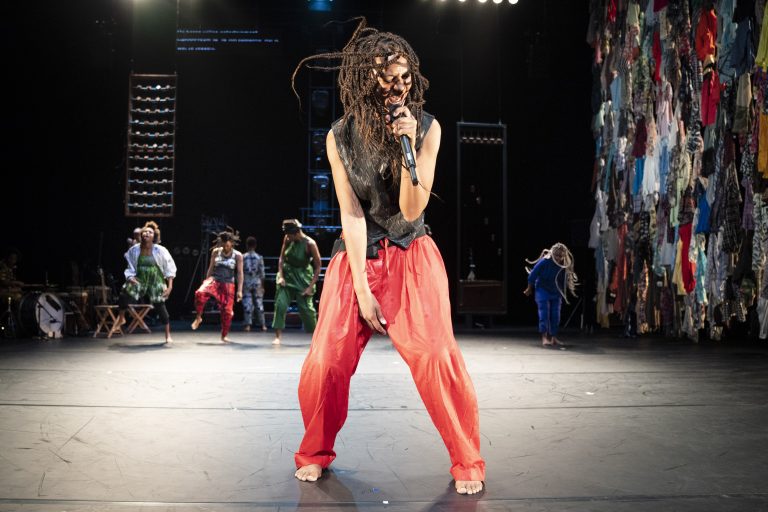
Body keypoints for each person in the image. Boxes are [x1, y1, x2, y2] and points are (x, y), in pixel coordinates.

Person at [290, 18, 485, 494]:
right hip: (356, 257)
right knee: (326, 361)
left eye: (402, 78)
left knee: (436, 356)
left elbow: (411, 207)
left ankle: (467, 460)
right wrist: (360, 286)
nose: (395, 88)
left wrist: (408, 151)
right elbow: (351, 214)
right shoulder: (338, 137)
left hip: (411, 252)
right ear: (364, 80)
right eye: (384, 77)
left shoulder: (426, 129)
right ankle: (314, 450)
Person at [115, 221, 176, 343]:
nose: (147, 233)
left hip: (155, 279)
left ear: (154, 236)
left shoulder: (160, 250)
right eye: (145, 232)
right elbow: (130, 266)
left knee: (160, 305)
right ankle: (121, 318)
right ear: (141, 235)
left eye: (150, 232)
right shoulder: (134, 250)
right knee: (124, 293)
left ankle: (167, 334)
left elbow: (170, 268)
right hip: (140, 278)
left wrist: (169, 287)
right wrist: (130, 277)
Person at [271, 219, 321, 345]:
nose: (287, 237)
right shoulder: (287, 239)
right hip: (287, 276)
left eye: (289, 234)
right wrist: (281, 276)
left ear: (296, 233)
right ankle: (277, 336)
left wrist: (311, 286)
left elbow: (318, 266)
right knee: (280, 304)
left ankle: (316, 338)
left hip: (303, 277)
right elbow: (281, 258)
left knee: (307, 310)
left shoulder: (310, 244)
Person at [191, 230, 243, 342]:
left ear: (231, 243)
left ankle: (224, 335)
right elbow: (210, 268)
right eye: (223, 244)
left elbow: (239, 273)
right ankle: (199, 317)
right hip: (215, 280)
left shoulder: (237, 255)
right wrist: (206, 282)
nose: (225, 247)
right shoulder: (216, 252)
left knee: (227, 312)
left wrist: (239, 290)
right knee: (199, 293)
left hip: (228, 284)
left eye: (227, 244)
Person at [523, 242, 578, 347]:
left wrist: (566, 286)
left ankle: (553, 337)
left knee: (555, 314)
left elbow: (565, 278)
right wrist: (529, 288)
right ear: (552, 254)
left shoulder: (564, 264)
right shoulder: (544, 261)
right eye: (556, 255)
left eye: (560, 256)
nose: (558, 258)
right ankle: (544, 337)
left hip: (556, 290)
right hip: (542, 289)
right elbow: (533, 274)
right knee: (544, 312)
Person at [242, 236, 267, 332]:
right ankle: (263, 325)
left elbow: (240, 272)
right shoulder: (259, 257)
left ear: (247, 245)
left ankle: (248, 325)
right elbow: (262, 274)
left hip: (246, 282)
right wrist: (262, 286)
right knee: (259, 304)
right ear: (255, 246)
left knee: (247, 304)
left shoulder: (243, 257)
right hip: (257, 282)